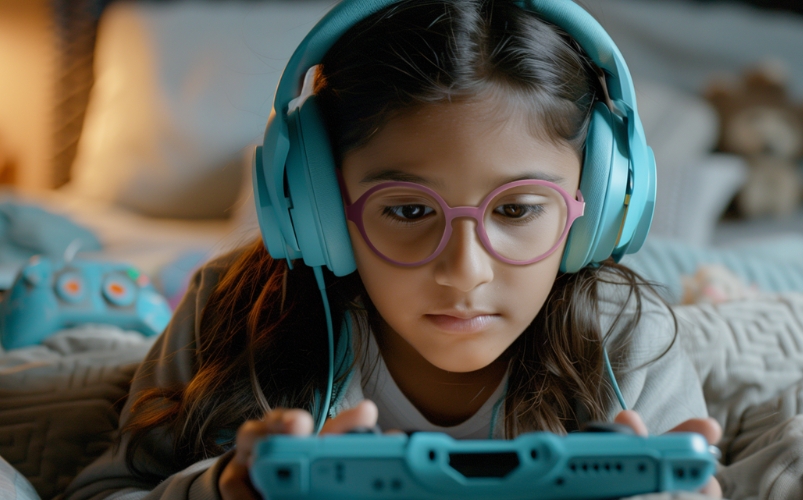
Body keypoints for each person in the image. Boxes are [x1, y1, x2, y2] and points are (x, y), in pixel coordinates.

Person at [64, 0, 721, 498]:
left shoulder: (623, 336)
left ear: (596, 207)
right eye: (408, 211)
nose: (465, 272)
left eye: (518, 210)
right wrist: (226, 488)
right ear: (316, 202)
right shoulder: (230, 310)